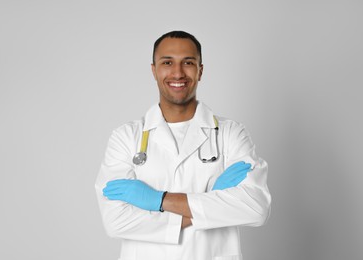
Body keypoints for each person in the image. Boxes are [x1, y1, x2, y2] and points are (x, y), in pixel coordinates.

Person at [95, 31, 271, 260]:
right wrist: (213, 201)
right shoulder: (126, 137)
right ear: (154, 70)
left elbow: (255, 208)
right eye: (167, 62)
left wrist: (160, 200)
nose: (178, 72)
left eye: (188, 62)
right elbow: (116, 222)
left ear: (200, 70)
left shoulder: (231, 134)